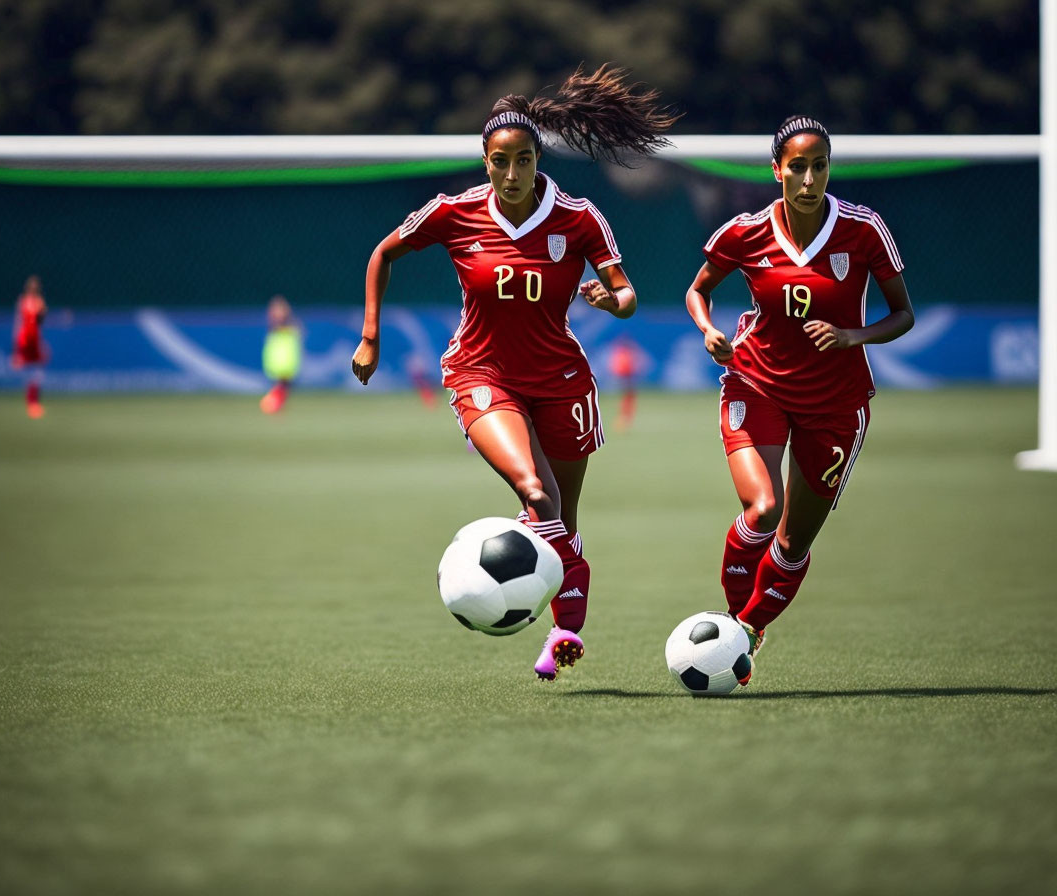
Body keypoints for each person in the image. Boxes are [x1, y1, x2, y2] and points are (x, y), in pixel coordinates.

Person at [352, 65, 677, 680]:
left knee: (563, 522)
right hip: (481, 373)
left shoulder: (578, 218)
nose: (511, 174)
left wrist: (615, 301)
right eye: (500, 162)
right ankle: (570, 615)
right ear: (484, 159)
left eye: (523, 160)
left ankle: (559, 633)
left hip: (561, 382)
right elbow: (383, 253)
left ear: (537, 159)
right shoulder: (454, 213)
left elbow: (627, 293)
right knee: (535, 492)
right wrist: (370, 337)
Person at [684, 115, 915, 681]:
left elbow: (904, 314)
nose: (809, 179)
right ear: (777, 170)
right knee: (761, 509)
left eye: (820, 167)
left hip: (836, 403)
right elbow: (698, 290)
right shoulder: (745, 232)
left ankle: (745, 631)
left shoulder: (863, 230)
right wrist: (708, 330)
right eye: (798, 167)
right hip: (757, 380)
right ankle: (733, 629)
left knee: (792, 541)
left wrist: (851, 336)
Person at [11, 275, 49, 418]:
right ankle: (30, 402)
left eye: (36, 287)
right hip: (25, 340)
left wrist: (43, 312)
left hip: (35, 340)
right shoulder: (22, 302)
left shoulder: (40, 302)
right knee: (27, 372)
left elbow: (40, 324)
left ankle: (34, 402)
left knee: (38, 372)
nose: (33, 289)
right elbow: (18, 323)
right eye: (31, 286)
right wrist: (16, 350)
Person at [260, 294, 302, 414]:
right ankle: (271, 403)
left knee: (285, 384)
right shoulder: (274, 328)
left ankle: (274, 403)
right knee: (280, 383)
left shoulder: (291, 326)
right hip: (279, 358)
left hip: (287, 358)